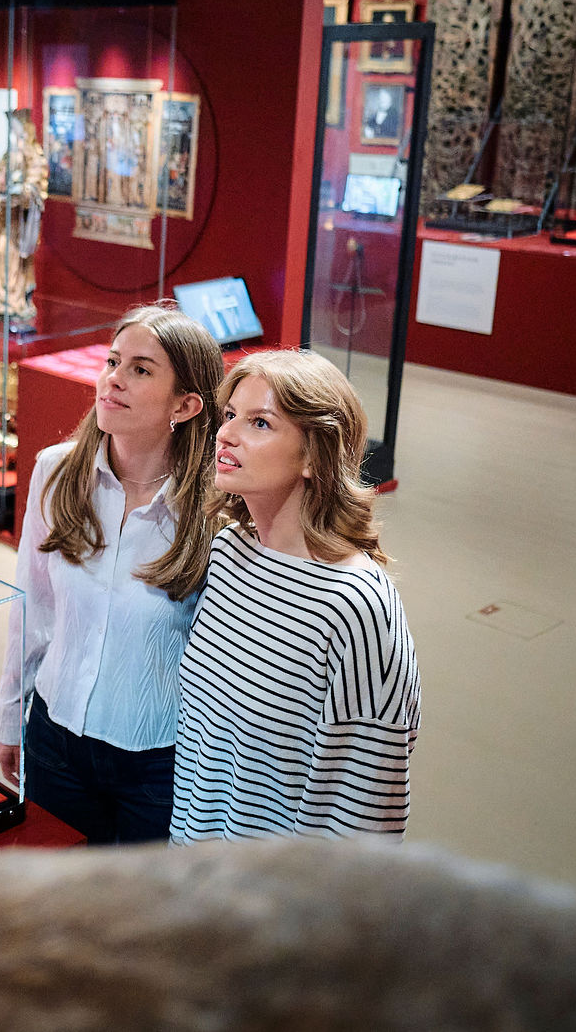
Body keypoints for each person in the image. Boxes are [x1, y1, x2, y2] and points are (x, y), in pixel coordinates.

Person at [0, 304, 225, 844]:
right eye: (113, 361)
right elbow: (31, 606)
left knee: (135, 918)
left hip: (159, 764)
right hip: (54, 740)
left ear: (187, 404)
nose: (113, 380)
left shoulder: (216, 511)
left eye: (141, 370)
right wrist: (11, 717)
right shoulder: (57, 470)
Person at [169, 350, 421, 843]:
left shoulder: (356, 604)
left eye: (260, 422)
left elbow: (363, 814)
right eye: (230, 415)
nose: (227, 434)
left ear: (313, 455)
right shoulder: (228, 553)